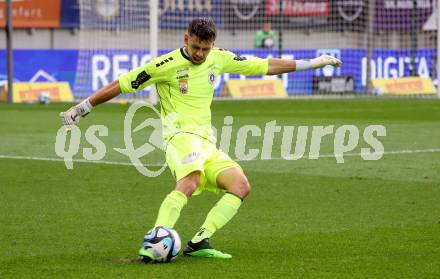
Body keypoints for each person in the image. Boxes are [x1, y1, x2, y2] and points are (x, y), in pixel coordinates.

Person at [60, 17, 341, 261]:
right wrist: (82, 108)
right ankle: (156, 239)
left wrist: (312, 63)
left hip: (207, 141)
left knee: (240, 186)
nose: (200, 54)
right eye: (196, 47)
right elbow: (120, 84)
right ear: (186, 39)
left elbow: (264, 65)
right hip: (179, 137)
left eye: (205, 49)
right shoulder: (164, 65)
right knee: (191, 180)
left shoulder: (217, 57)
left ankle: (199, 242)